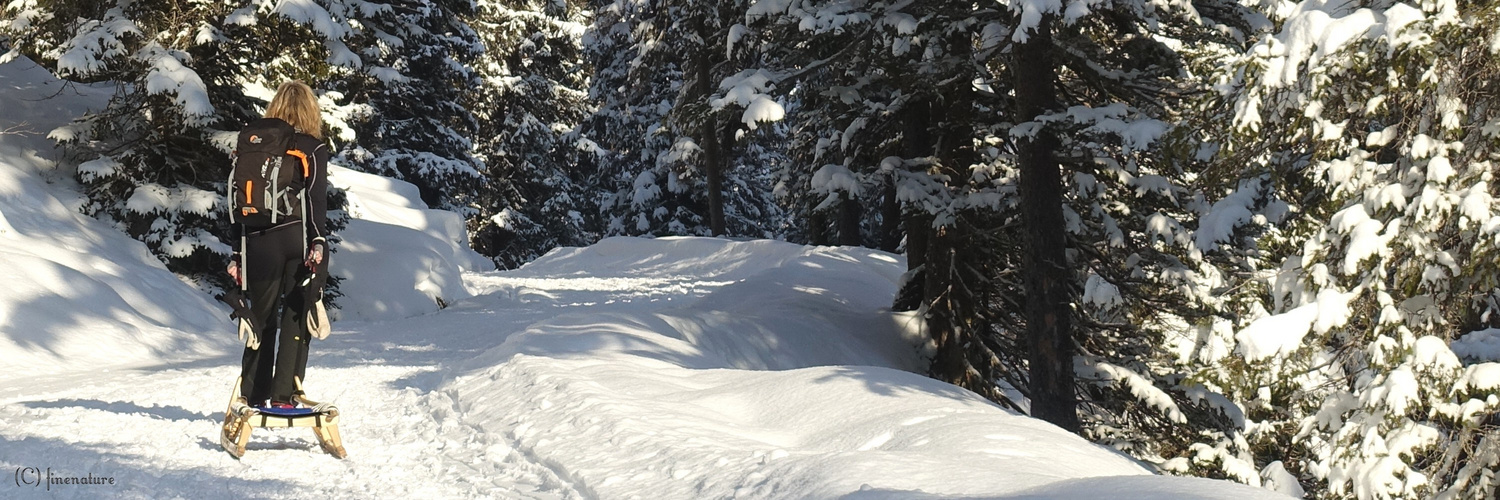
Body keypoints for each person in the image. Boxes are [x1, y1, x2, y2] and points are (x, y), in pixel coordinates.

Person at [226, 81, 330, 409]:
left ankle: (252, 394)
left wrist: (236, 252)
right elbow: (314, 200)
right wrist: (318, 241)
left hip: (255, 241)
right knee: (297, 313)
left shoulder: (252, 146)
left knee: (260, 317)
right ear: (310, 110)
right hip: (295, 238)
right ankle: (284, 396)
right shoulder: (311, 147)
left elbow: (235, 200)